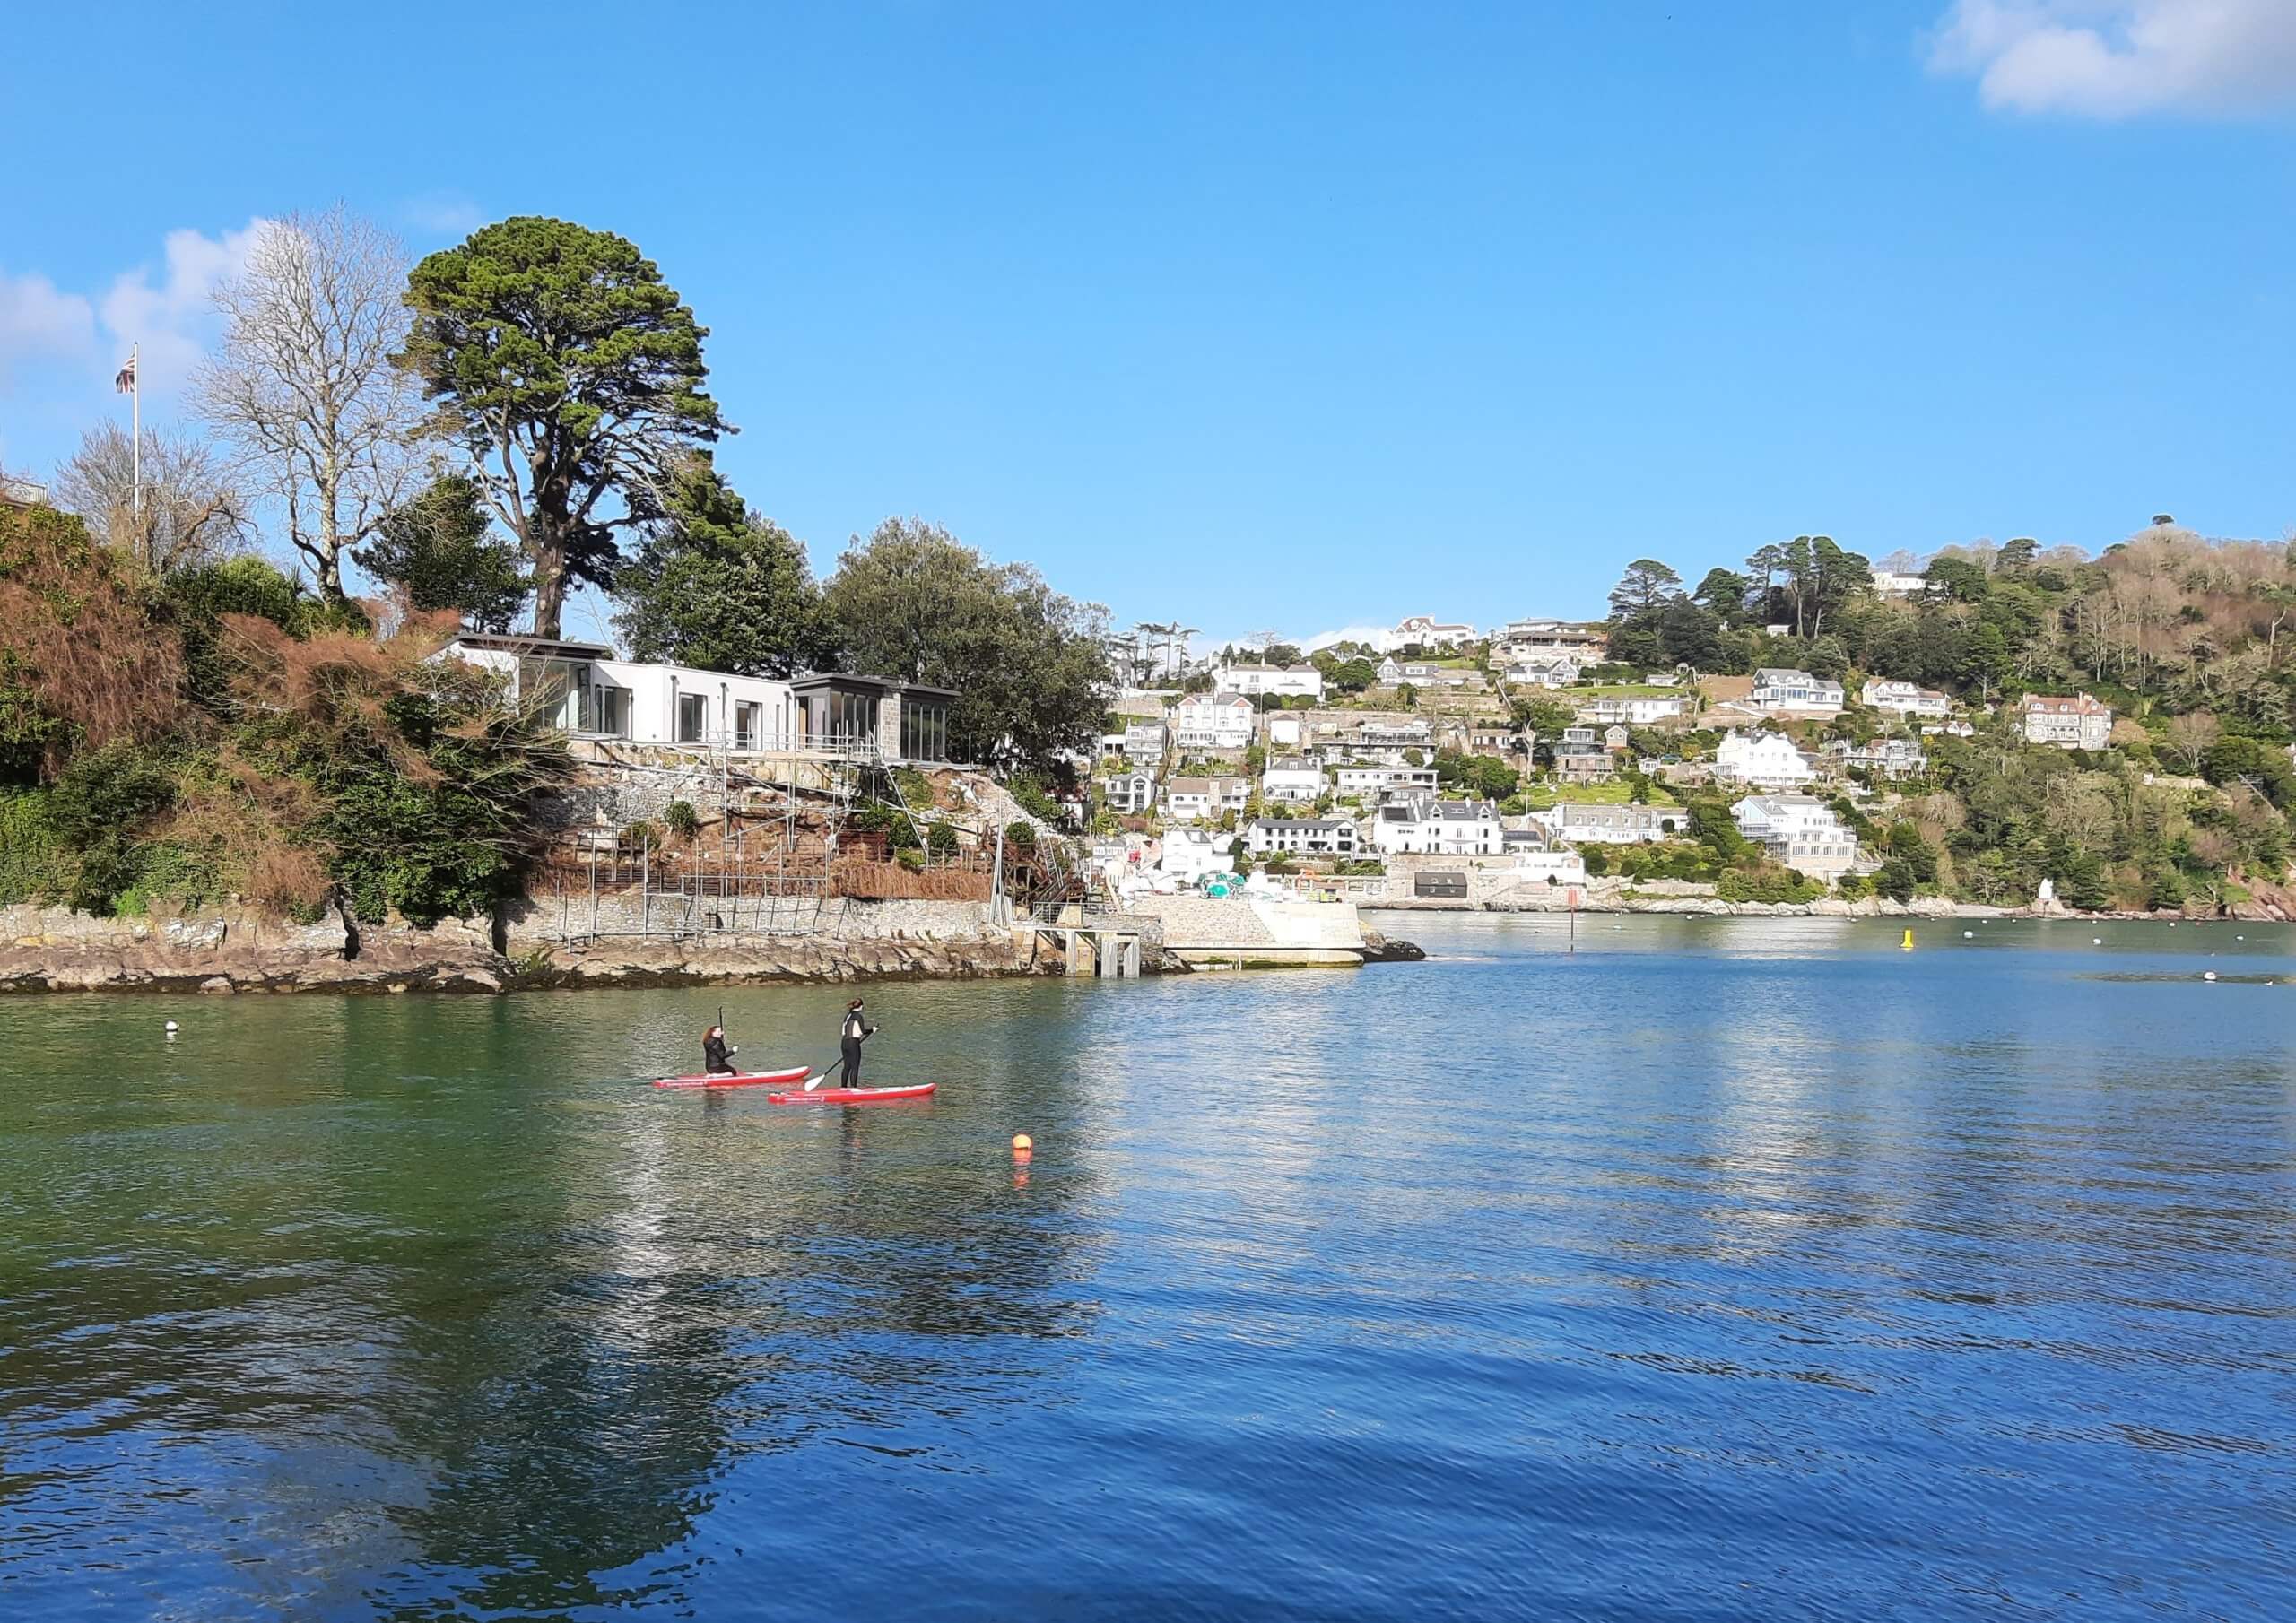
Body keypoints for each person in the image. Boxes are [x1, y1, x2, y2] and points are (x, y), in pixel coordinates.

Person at [837, 998, 877, 1089]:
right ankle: (853, 1088)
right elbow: (863, 1031)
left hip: (844, 1042)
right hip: (853, 1043)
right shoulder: (858, 1016)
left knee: (847, 1066)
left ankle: (843, 1087)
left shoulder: (847, 1016)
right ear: (861, 1007)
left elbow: (844, 1032)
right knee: (855, 1066)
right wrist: (872, 1030)